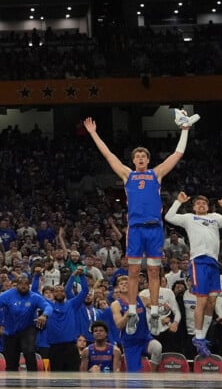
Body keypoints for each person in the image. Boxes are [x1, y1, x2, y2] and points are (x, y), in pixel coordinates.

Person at [84, 112, 196, 337]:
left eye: (144, 155)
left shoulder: (157, 174)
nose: (141, 158)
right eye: (138, 156)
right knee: (133, 272)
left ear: (148, 159)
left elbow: (178, 153)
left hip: (154, 228)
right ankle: (133, 311)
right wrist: (94, 134)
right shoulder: (127, 175)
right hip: (135, 229)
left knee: (154, 273)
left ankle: (154, 312)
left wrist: (184, 130)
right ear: (134, 160)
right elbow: (108, 155)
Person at [164, 192, 222, 357]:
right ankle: (198, 336)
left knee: (211, 301)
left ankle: (201, 336)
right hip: (199, 262)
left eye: (204, 203)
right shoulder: (189, 218)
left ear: (208, 206)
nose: (202, 205)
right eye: (198, 203)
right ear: (194, 207)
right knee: (202, 301)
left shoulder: (215, 217)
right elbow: (169, 216)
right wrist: (178, 202)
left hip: (213, 262)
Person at [0, 274, 52, 371]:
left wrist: (44, 315)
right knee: (11, 362)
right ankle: (12, 384)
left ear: (29, 285)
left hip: (28, 329)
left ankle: (32, 380)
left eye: (26, 284)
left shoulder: (34, 296)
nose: (23, 286)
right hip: (10, 331)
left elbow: (48, 306)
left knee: (29, 352)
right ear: (16, 285)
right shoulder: (6, 295)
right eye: (21, 284)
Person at [111, 275, 162, 372]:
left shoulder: (142, 299)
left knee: (157, 348)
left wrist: (163, 309)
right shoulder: (116, 304)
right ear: (118, 288)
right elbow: (118, 325)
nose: (124, 285)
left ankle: (153, 373)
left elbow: (157, 308)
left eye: (126, 283)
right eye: (121, 284)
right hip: (130, 343)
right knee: (134, 377)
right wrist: (127, 314)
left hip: (145, 338)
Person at [46, 268, 89, 371]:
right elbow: (34, 291)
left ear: (65, 293)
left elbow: (85, 291)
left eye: (62, 291)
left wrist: (80, 275)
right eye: (56, 291)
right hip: (54, 348)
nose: (59, 293)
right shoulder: (47, 305)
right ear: (53, 294)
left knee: (73, 379)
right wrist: (38, 276)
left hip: (70, 347)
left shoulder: (72, 304)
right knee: (56, 381)